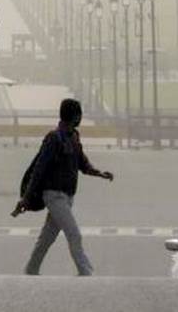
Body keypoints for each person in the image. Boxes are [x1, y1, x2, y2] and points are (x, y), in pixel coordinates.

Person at [16, 98, 114, 276]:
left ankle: (30, 270)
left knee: (46, 238)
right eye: (79, 114)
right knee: (74, 234)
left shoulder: (74, 137)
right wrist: (26, 197)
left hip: (68, 197)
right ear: (74, 116)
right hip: (54, 196)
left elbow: (82, 163)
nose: (80, 117)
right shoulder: (54, 138)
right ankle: (85, 272)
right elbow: (39, 169)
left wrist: (100, 173)